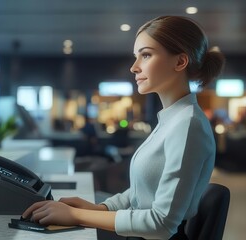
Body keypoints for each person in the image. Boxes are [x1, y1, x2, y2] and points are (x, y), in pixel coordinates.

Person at [22, 16, 225, 239]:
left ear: (179, 62)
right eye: (136, 56)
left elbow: (162, 224)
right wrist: (99, 208)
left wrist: (76, 216)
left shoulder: (188, 125)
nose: (134, 67)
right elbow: (142, 192)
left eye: (146, 55)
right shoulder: (172, 119)